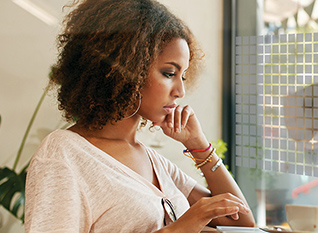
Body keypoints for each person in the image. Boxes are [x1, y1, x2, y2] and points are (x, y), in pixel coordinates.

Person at [24, 0, 255, 232]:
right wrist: (178, 228)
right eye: (169, 73)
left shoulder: (153, 161)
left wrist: (199, 145)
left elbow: (241, 221)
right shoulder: (63, 155)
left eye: (182, 76)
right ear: (126, 68)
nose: (180, 91)